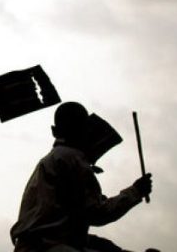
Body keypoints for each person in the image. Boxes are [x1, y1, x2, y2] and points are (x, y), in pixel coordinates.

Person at [10, 102, 153, 252]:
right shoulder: (73, 159)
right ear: (86, 129)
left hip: (32, 246)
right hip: (50, 247)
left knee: (103, 246)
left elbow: (79, 208)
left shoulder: (50, 161)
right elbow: (97, 214)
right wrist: (136, 191)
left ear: (54, 131)